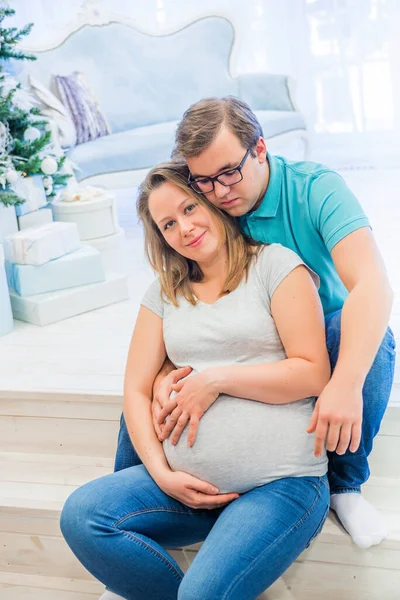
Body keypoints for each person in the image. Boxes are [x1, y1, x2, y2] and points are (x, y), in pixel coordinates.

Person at [115, 96, 396, 552]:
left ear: (260, 148)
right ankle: (133, 515)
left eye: (229, 172)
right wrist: (167, 373)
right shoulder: (207, 207)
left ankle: (345, 485)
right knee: (151, 390)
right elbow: (196, 307)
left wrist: (345, 382)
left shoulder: (315, 189)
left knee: (367, 336)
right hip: (244, 341)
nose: (221, 191)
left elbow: (374, 286)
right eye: (204, 182)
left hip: (314, 337)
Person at [60, 160, 331, 600]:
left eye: (189, 209)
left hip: (280, 484)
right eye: (168, 223)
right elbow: (136, 387)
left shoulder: (275, 266)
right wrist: (162, 474)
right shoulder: (165, 291)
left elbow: (313, 371)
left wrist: (217, 379)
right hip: (188, 491)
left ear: (211, 201)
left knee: (201, 595)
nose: (184, 228)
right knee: (83, 516)